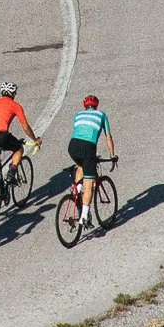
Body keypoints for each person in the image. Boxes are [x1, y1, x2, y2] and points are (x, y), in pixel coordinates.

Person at [68, 94, 115, 227]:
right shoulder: (101, 115)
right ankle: (84, 216)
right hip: (88, 148)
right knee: (89, 181)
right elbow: (108, 137)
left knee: (81, 164)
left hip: (72, 146)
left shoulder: (78, 115)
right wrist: (112, 155)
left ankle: (76, 189)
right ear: (96, 105)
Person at [0, 83, 35, 197]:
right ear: (13, 94)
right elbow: (25, 127)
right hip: (2, 135)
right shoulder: (16, 106)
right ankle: (12, 173)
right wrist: (35, 139)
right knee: (18, 148)